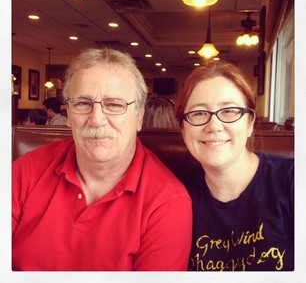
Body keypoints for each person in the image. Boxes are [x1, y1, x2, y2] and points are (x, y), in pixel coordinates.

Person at [12, 48, 192, 271]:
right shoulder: (26, 170)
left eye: (115, 104)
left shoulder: (168, 202)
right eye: (82, 104)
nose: (96, 119)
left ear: (139, 117)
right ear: (68, 115)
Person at [175, 61, 294, 271]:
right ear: (183, 131)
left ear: (249, 123)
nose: (213, 126)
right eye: (199, 113)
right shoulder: (174, 197)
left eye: (229, 110)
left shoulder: (294, 181)